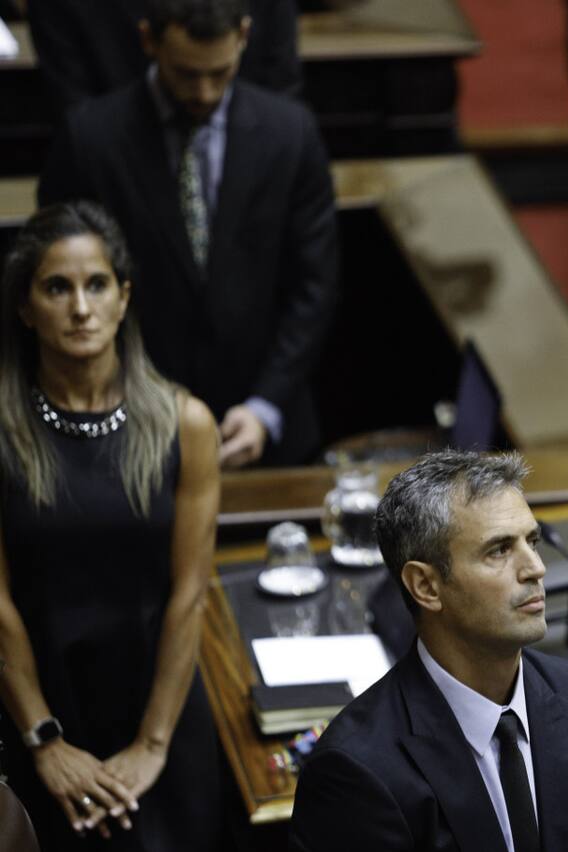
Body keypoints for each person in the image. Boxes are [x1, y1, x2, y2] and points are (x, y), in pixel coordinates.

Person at [289, 449, 568, 852]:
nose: (535, 568)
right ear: (426, 586)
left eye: (532, 541)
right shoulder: (357, 772)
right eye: (499, 550)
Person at [0, 202, 223, 850]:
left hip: (163, 706)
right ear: (25, 307)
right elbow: (0, 605)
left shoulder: (187, 423)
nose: (80, 307)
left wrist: (153, 745)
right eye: (56, 287)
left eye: (96, 284)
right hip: (41, 707)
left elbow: (190, 594)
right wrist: (43, 740)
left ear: (123, 298)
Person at [38, 0, 338, 469]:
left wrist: (265, 406)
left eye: (220, 73)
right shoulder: (90, 139)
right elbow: (61, 285)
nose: (204, 92)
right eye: (186, 74)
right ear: (148, 42)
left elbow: (313, 287)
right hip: (129, 431)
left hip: (269, 431)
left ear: (243, 35)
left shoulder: (291, 133)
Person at [27, 0, 301, 114]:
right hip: (117, 177)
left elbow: (281, 89)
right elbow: (74, 112)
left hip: (246, 168)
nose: (204, 94)